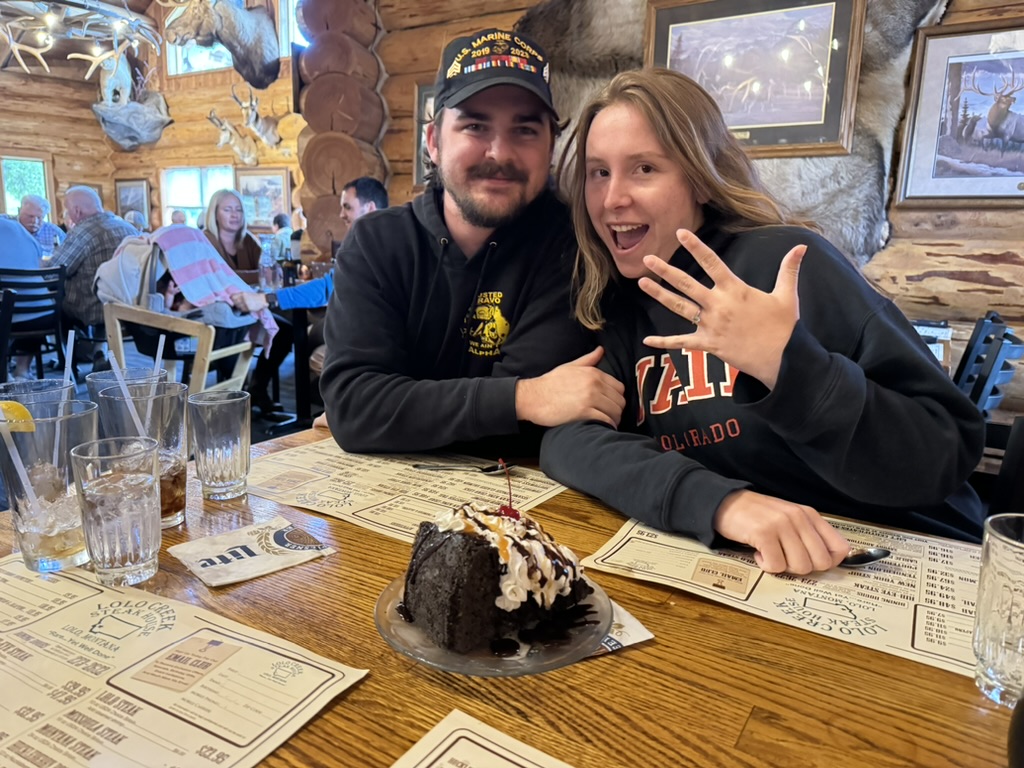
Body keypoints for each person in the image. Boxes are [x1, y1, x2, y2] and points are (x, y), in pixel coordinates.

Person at [539, 68, 986, 575]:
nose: (612, 198)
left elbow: (945, 450)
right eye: (599, 172)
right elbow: (570, 440)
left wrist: (788, 366)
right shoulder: (620, 303)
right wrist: (721, 503)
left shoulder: (787, 264)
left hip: (911, 557)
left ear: (699, 178)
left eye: (644, 168)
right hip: (771, 570)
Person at [320, 28, 624, 455]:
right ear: (434, 141)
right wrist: (524, 398)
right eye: (475, 126)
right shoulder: (376, 243)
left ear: (550, 147)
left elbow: (527, 433)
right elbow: (355, 409)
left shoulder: (575, 248)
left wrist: (392, 413)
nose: (499, 153)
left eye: (525, 130)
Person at [271, 177, 388, 395]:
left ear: (370, 208)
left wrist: (270, 298)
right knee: (314, 334)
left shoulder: (373, 245)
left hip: (377, 340)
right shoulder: (385, 238)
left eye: (347, 207)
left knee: (313, 344)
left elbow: (327, 288)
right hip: (372, 333)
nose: (341, 214)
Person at [204, 188, 294, 421]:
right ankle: (234, 397)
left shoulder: (248, 240)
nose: (235, 215)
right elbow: (221, 277)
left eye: (239, 210)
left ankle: (257, 387)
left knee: (285, 331)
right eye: (228, 209)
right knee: (232, 337)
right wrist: (255, 276)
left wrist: (258, 276)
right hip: (216, 315)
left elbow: (269, 273)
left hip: (249, 311)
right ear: (215, 213)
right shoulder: (204, 241)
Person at [50, 186, 138, 331]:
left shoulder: (82, 232)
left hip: (93, 310)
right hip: (129, 307)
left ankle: (73, 345)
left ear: (77, 211)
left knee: (54, 306)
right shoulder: (128, 228)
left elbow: (54, 272)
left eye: (67, 210)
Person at [0, 218, 49, 380]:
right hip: (45, 313)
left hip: (11, 319)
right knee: (27, 306)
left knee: (10, 310)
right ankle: (22, 370)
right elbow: (39, 261)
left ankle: (3, 373)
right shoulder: (17, 227)